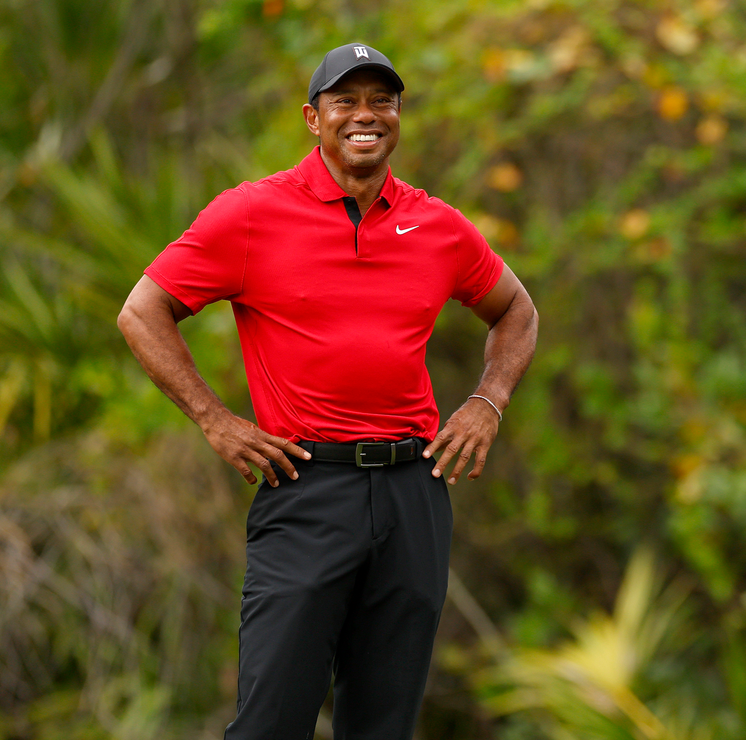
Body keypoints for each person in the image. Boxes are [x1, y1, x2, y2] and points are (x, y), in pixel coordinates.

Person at [117, 42, 538, 739]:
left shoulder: (437, 225)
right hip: (309, 488)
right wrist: (216, 420)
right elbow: (142, 310)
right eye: (346, 101)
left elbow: (516, 310)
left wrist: (486, 402)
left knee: (383, 723)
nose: (365, 116)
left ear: (399, 115)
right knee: (271, 722)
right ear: (313, 118)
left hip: (415, 492)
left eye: (382, 101)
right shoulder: (250, 213)